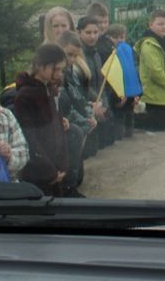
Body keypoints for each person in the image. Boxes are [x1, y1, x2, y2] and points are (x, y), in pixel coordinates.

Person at [12, 44, 73, 197]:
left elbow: (56, 126)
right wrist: (49, 172)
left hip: (55, 166)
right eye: (55, 69)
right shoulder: (25, 96)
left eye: (61, 70)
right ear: (39, 66)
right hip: (39, 173)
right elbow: (30, 138)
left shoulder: (48, 88)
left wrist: (62, 165)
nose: (59, 74)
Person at [55, 30, 97, 191]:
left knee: (79, 177)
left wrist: (88, 113)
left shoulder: (72, 72)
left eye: (75, 56)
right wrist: (83, 119)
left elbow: (78, 96)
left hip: (75, 116)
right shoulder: (58, 73)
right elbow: (66, 103)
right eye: (69, 55)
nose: (71, 60)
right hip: (65, 120)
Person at [135, 9, 165, 132]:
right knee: (159, 126)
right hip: (153, 94)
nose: (164, 27)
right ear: (151, 25)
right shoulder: (149, 46)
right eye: (160, 24)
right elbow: (155, 72)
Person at [76, 16, 115, 148]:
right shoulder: (77, 56)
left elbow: (101, 82)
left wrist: (103, 103)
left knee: (108, 141)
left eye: (95, 32)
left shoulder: (96, 54)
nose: (92, 36)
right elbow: (84, 85)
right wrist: (96, 103)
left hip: (100, 102)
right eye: (88, 33)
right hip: (87, 105)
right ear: (79, 33)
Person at [107, 24, 141, 139]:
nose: (119, 40)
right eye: (115, 37)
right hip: (119, 93)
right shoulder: (111, 53)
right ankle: (118, 136)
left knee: (130, 114)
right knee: (119, 117)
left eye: (122, 37)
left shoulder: (129, 51)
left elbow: (134, 71)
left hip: (130, 90)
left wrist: (137, 93)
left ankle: (129, 133)